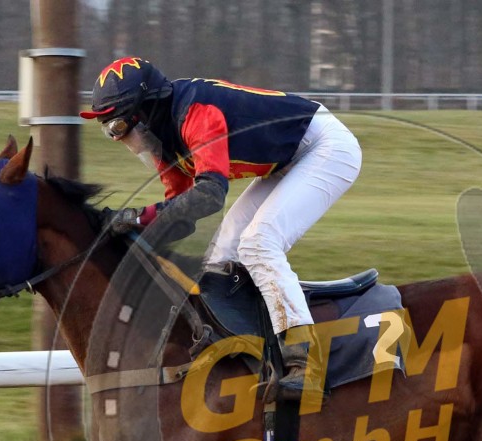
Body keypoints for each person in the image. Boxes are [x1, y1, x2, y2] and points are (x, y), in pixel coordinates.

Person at [80, 57, 362, 402]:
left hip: (325, 147)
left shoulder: (197, 113)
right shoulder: (163, 140)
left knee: (259, 243)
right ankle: (251, 349)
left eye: (118, 125)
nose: (116, 138)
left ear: (146, 109)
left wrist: (136, 218)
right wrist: (128, 236)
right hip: (287, 159)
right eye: (108, 129)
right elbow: (180, 214)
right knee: (220, 257)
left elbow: (210, 196)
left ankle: (305, 364)